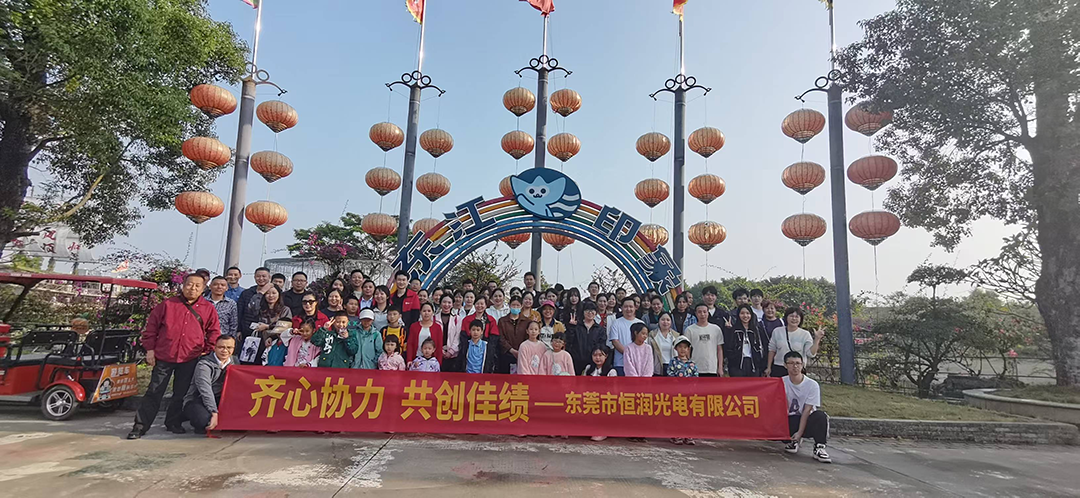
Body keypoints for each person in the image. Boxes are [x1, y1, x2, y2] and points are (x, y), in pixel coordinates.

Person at [129, 273, 221, 439]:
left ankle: (173, 422)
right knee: (154, 391)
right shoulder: (168, 304)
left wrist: (207, 350)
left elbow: (214, 331)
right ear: (183, 285)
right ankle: (140, 426)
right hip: (165, 355)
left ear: (203, 289)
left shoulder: (208, 308)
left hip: (190, 357)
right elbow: (151, 328)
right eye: (189, 284)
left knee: (181, 393)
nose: (193, 288)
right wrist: (150, 350)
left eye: (197, 286)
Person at [782, 351, 831, 463]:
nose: (795, 366)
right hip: (790, 419)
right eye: (791, 363)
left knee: (820, 416)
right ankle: (793, 441)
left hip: (807, 419)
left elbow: (807, 410)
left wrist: (800, 433)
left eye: (798, 363)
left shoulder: (812, 385)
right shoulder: (781, 382)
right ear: (785, 365)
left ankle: (819, 447)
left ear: (802, 364)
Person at [181, 335, 235, 434]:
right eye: (221, 347)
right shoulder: (203, 365)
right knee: (204, 420)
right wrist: (214, 412)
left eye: (229, 347)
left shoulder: (235, 362)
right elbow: (205, 390)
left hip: (222, 398)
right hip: (199, 399)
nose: (225, 350)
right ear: (215, 348)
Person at [766, 307, 824, 378]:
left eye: (797, 317)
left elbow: (811, 354)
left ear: (800, 319)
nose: (794, 319)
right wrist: (769, 367)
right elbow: (772, 350)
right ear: (786, 317)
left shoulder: (805, 334)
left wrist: (817, 339)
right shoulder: (777, 331)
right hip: (779, 367)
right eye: (791, 316)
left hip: (797, 368)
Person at [242, 284, 291, 365]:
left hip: (275, 342)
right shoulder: (260, 308)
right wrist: (261, 293)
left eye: (274, 293)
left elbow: (286, 326)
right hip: (258, 342)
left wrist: (267, 327)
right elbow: (251, 306)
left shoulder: (285, 310)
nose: (271, 296)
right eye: (267, 293)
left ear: (279, 294)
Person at [668, 336, 699, 445]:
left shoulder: (692, 364)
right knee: (676, 415)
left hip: (689, 395)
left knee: (689, 415)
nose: (683, 349)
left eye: (685, 347)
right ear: (676, 348)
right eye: (680, 347)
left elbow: (696, 378)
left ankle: (688, 435)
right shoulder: (673, 362)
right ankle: (676, 435)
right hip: (677, 394)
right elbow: (670, 374)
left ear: (688, 349)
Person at [725, 304, 768, 377]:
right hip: (737, 366)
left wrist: (762, 364)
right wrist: (727, 330)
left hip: (754, 364)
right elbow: (728, 346)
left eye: (748, 313)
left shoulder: (757, 330)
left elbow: (763, 346)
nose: (745, 316)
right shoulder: (734, 330)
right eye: (742, 313)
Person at [682, 303, 724, 377]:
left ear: (708, 313)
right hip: (695, 368)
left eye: (704, 312)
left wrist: (720, 367)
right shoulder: (689, 330)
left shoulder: (716, 329)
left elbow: (719, 349)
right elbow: (686, 350)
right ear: (696, 313)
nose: (702, 314)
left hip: (712, 368)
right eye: (699, 312)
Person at [567, 301, 606, 376]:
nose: (590, 312)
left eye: (592, 310)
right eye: (587, 310)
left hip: (592, 362)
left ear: (596, 313)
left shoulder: (600, 329)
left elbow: (601, 345)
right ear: (583, 312)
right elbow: (569, 341)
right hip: (576, 361)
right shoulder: (576, 326)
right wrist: (571, 327)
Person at [607, 297, 643, 376]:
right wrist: (628, 354)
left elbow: (643, 342)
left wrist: (634, 356)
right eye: (626, 306)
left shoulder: (641, 323)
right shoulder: (616, 323)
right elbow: (615, 341)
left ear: (635, 308)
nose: (628, 309)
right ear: (621, 308)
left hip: (637, 363)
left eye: (631, 306)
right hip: (620, 363)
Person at [497, 295, 532, 374]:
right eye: (513, 305)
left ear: (521, 306)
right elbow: (501, 338)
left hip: (523, 354)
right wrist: (511, 350)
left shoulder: (527, 321)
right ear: (509, 305)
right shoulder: (502, 321)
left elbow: (528, 337)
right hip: (506, 355)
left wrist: (521, 350)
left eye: (517, 305)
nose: (515, 307)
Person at [237, 267, 272, 334]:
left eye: (264, 276)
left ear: (269, 277)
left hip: (267, 332)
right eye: (258, 276)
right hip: (247, 330)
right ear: (254, 277)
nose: (261, 278)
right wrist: (239, 330)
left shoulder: (273, 293)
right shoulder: (246, 293)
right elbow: (240, 312)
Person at [408, 302, 444, 367]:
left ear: (433, 313)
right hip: (417, 359)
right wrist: (409, 359)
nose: (426, 313)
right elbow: (410, 344)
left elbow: (439, 346)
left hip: (432, 361)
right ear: (420, 312)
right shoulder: (414, 326)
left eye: (429, 311)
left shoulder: (437, 327)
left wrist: (439, 362)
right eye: (424, 311)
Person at [649, 311, 679, 376]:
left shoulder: (676, 336)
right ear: (658, 321)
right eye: (663, 320)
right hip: (657, 368)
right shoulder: (652, 335)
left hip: (673, 367)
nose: (665, 322)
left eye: (668, 320)